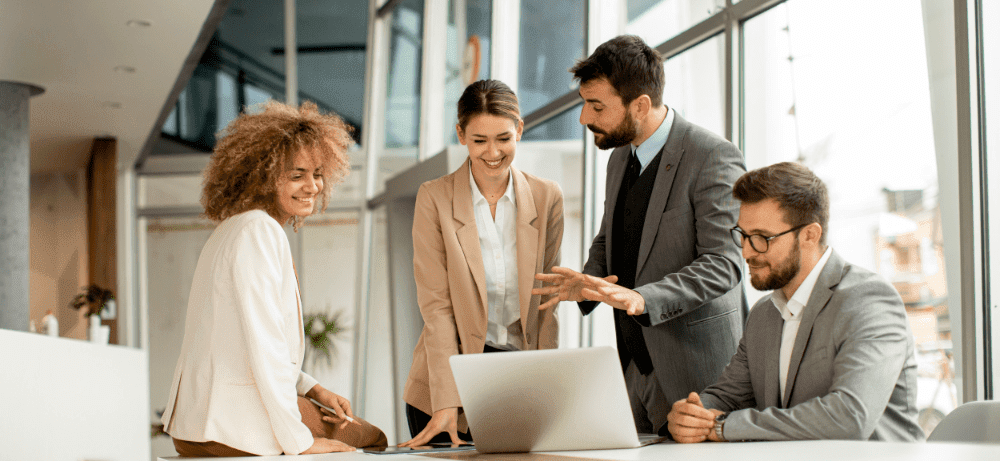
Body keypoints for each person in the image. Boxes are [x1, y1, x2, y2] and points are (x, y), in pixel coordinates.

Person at [533, 35, 747, 435]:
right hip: (633, 366)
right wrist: (587, 280)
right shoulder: (619, 157)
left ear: (641, 105)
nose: (584, 118)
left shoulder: (711, 156)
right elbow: (610, 235)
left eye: (596, 106)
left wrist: (642, 298)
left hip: (698, 374)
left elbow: (725, 263)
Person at [160, 101, 387, 457]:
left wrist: (312, 389)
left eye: (317, 173)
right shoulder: (259, 231)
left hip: (196, 425)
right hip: (231, 428)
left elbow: (240, 343)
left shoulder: (232, 229)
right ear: (262, 176)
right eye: (297, 175)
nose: (312, 186)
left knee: (350, 427)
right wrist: (301, 442)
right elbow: (264, 345)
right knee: (371, 437)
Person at [666, 162, 923, 442]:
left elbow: (850, 417)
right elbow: (727, 395)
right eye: (743, 235)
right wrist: (692, 414)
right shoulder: (764, 314)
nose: (747, 252)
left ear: (810, 235)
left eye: (762, 238)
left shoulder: (869, 301)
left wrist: (722, 426)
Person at [401, 79, 564, 446]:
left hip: (517, 378)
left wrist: (548, 391)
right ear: (460, 134)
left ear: (520, 130)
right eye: (479, 140)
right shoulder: (435, 199)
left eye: (504, 138)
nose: (493, 152)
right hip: (448, 381)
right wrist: (446, 401)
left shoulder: (546, 196)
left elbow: (546, 304)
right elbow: (437, 308)